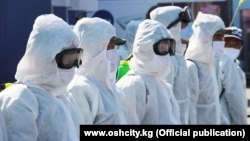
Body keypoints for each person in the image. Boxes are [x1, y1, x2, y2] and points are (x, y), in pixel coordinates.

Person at [0, 14, 83, 140]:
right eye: (68, 59)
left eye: (75, 58)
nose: (73, 66)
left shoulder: (64, 99)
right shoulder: (21, 98)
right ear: (45, 57)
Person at [116, 19, 181, 124]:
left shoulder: (161, 84)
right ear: (145, 50)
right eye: (162, 48)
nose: (167, 54)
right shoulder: (133, 85)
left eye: (168, 48)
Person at [67, 17, 127, 124]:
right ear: (90, 48)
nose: (113, 53)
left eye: (114, 47)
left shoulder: (111, 88)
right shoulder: (80, 89)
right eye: (108, 47)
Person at [150, 5, 193, 124]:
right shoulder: (165, 59)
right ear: (170, 27)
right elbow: (165, 102)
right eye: (181, 25)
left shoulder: (177, 56)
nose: (184, 29)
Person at [184, 11, 227, 124]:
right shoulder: (191, 67)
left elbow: (215, 107)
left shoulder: (210, 66)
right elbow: (188, 113)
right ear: (204, 38)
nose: (222, 42)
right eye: (218, 37)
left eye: (223, 37)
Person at [215, 26, 248, 124]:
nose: (231, 47)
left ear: (241, 48)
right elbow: (236, 102)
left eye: (235, 45)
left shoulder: (238, 70)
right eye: (227, 43)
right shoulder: (222, 64)